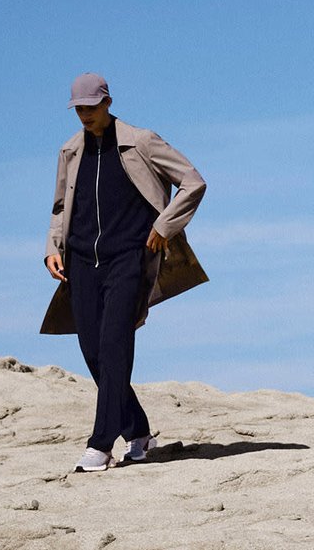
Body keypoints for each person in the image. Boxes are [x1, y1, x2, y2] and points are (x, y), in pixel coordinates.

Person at [41, 73, 208, 471]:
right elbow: (61, 207)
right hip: (81, 263)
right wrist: (52, 248)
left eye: (90, 108)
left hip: (128, 259)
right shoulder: (70, 150)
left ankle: (100, 444)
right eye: (78, 109)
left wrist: (163, 227)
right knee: (94, 352)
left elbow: (193, 182)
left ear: (107, 103)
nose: (84, 115)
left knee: (115, 344)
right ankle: (138, 431)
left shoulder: (141, 141)